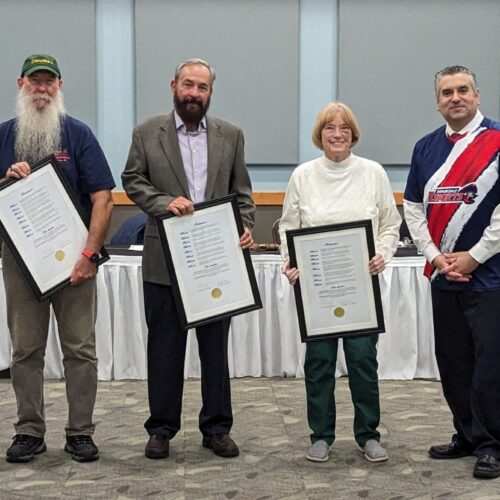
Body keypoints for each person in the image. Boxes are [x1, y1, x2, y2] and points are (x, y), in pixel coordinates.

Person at [122, 58, 255, 460]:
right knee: (165, 349)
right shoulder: (147, 133)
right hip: (165, 262)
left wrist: (245, 224)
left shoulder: (231, 135)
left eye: (202, 87)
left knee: (215, 350)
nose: (194, 93)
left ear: (210, 92)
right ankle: (161, 428)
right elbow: (132, 180)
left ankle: (217, 428)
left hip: (216, 261)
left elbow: (242, 191)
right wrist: (164, 203)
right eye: (187, 85)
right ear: (173, 86)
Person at [0, 54, 115, 463]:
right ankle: (28, 431)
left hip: (76, 264)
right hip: (20, 264)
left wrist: (89, 255)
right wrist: (4, 183)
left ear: (60, 86)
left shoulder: (78, 135)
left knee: (80, 350)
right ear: (21, 84)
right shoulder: (3, 135)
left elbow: (103, 198)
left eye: (49, 81)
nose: (42, 88)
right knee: (25, 350)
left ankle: (80, 432)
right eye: (35, 81)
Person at [280, 102, 401, 464]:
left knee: (363, 360)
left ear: (353, 134)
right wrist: (291, 263)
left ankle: (368, 434)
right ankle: (321, 435)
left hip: (361, 285)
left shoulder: (373, 172)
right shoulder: (303, 175)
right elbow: (289, 226)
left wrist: (382, 253)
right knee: (319, 361)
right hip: (317, 289)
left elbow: (389, 223)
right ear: (320, 135)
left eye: (344, 129)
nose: (337, 134)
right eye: (330, 128)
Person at [404, 65, 500, 479]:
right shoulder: (425, 148)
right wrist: (436, 257)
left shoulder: (497, 141)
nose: (455, 98)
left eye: (463, 90)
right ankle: (466, 432)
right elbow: (412, 207)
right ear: (437, 101)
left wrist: (475, 255)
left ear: (477, 96)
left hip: (489, 277)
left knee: (489, 364)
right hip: (444, 277)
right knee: (453, 361)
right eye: (447, 92)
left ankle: (493, 443)